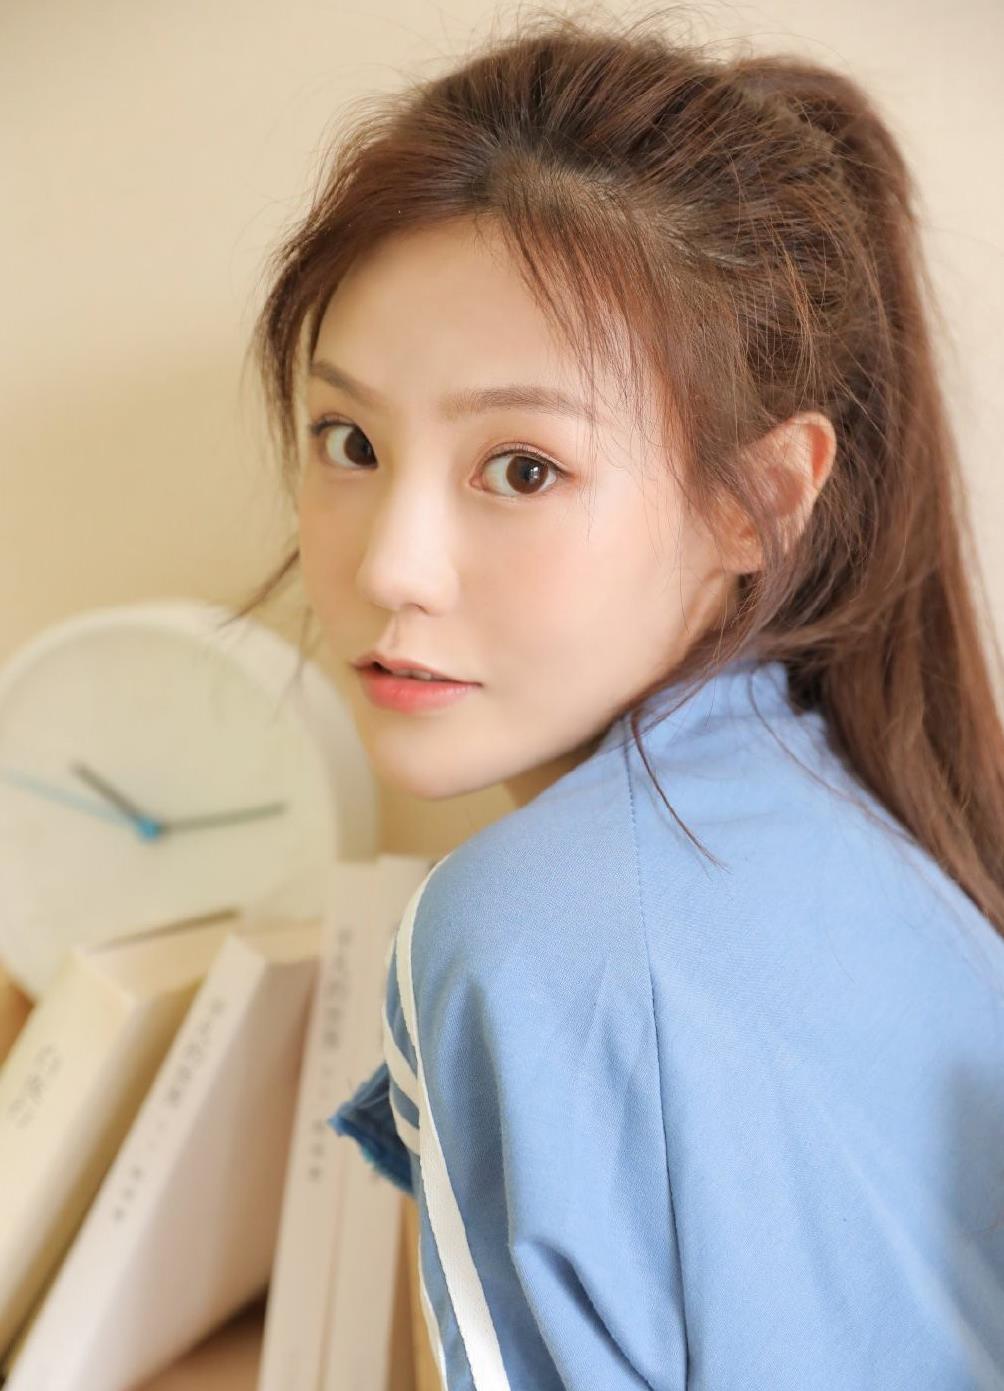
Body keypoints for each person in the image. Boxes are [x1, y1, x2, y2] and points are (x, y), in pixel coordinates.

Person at [236, 7, 1004, 1386]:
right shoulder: (853, 817)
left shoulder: (527, 930)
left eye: (523, 468)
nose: (390, 565)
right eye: (348, 440)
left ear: (755, 502)